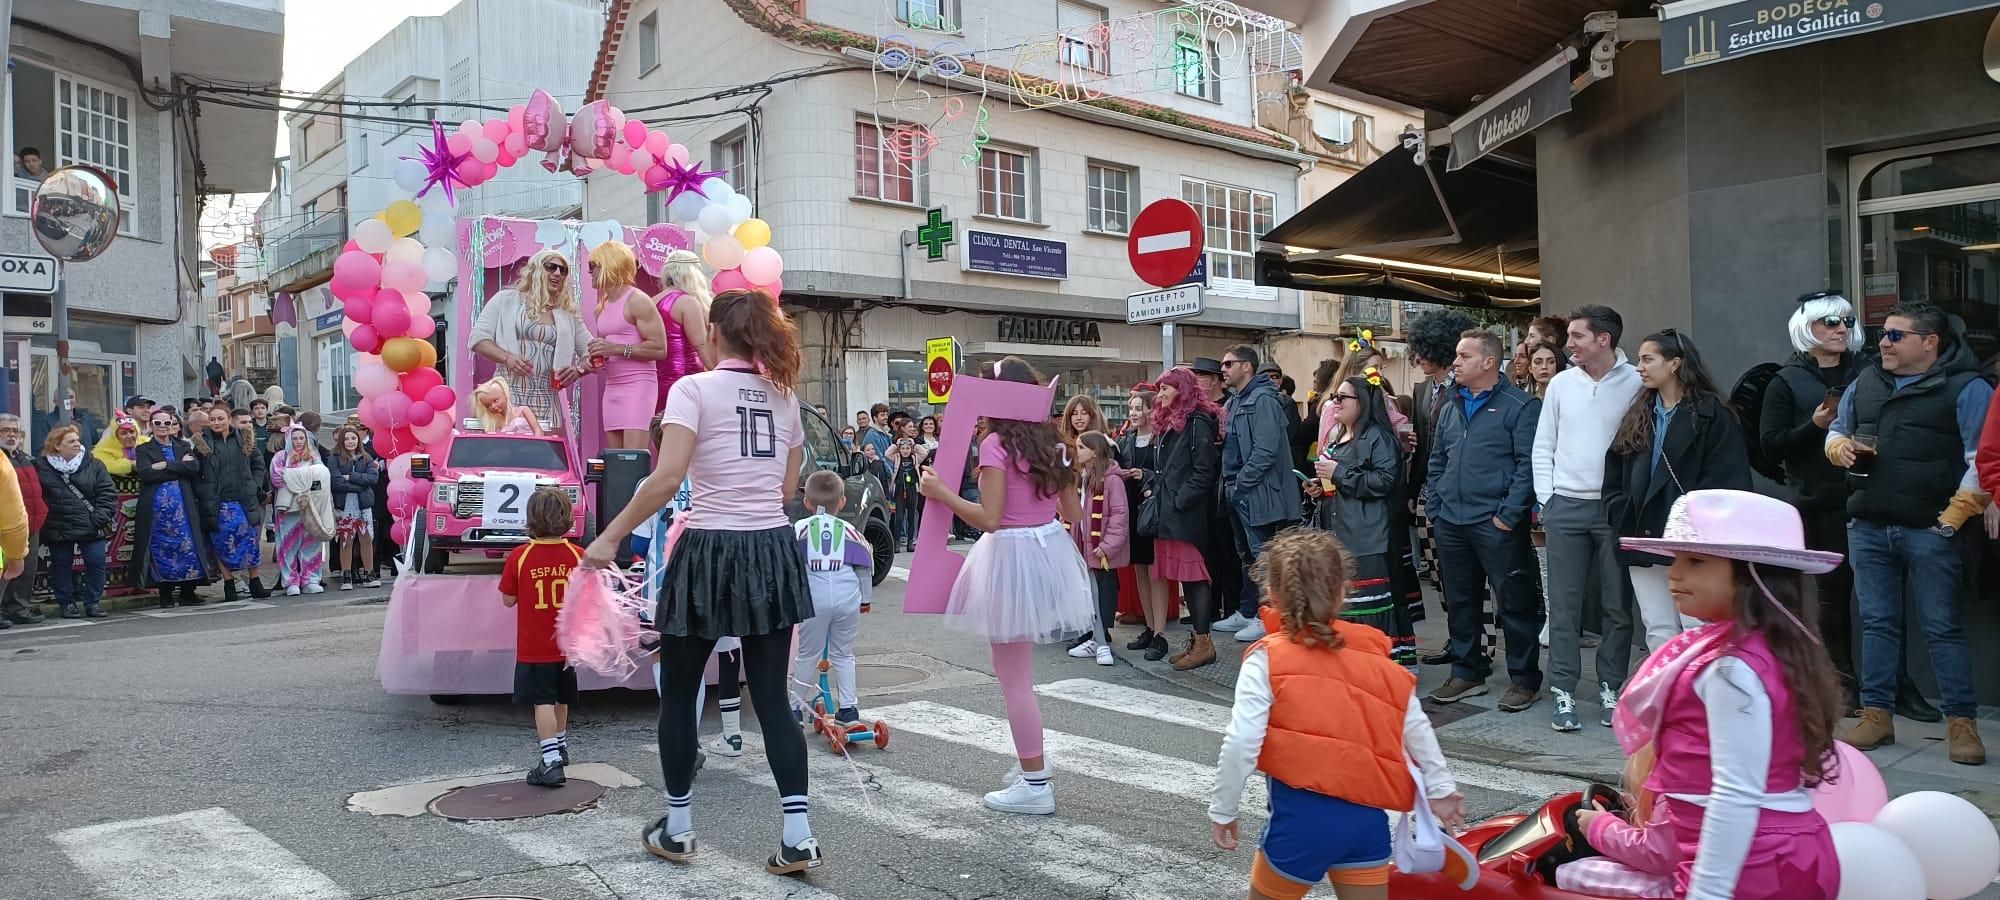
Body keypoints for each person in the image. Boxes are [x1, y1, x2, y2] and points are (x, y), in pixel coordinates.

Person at [581, 288, 824, 873]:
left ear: (714, 334)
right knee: (768, 697)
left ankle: (681, 824)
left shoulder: (692, 389)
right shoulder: (785, 398)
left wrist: (609, 536)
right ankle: (799, 834)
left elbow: (666, 479)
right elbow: (789, 491)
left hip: (709, 547)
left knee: (684, 689)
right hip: (770, 547)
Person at [1577, 489, 1845, 899]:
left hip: (1751, 869)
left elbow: (1735, 795)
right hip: (1789, 855)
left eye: (1695, 561)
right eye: (1677, 559)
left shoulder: (1730, 669)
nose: (1673, 573)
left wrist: (1708, 894)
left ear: (1753, 573)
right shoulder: (1775, 650)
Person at [1208, 528, 1465, 900]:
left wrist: (1223, 808)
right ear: (1344, 592)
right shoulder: (1379, 659)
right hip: (1366, 822)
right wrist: (1440, 790)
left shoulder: (1267, 657)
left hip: (1300, 824)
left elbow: (1241, 742)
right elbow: (1417, 729)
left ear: (1273, 594)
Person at [917, 355, 1093, 815]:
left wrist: (942, 494)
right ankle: (1032, 766)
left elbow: (990, 519)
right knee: (1016, 674)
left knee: (1014, 679)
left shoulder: (995, 443)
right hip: (1047, 553)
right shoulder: (1056, 443)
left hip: (1010, 556)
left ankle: (1035, 783)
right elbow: (1072, 515)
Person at [1831, 302, 1990, 764]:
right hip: (1868, 524)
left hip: (1931, 530)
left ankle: (1962, 723)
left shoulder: (1968, 387)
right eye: (1883, 333)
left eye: (1896, 335)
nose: (1883, 341)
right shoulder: (1866, 381)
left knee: (1942, 628)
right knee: (1878, 624)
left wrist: (1952, 519)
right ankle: (1877, 717)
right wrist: (1838, 447)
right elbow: (1838, 430)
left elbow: (1981, 460)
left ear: (1929, 342)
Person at [1767, 293, 1924, 718]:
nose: (1841, 328)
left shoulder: (1871, 373)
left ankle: (1895, 687)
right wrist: (1813, 427)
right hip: (1819, 503)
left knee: (1886, 602)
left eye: (1847, 321)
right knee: (1832, 601)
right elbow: (1771, 445)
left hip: (1873, 497)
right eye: (1830, 322)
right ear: (1807, 327)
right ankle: (1843, 685)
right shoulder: (1785, 380)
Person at [1605, 330, 1752, 656]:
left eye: (1647, 359)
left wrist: (1703, 527)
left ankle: (1701, 700)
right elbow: (1614, 471)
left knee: (1698, 626)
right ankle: (1670, 698)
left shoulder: (1714, 415)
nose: (1639, 367)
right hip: (1642, 537)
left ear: (1674, 364)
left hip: (1694, 541)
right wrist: (1618, 511)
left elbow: (1730, 481)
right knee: (1657, 627)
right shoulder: (1638, 414)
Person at [1532, 305, 1642, 731]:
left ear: (1603, 339)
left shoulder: (1636, 382)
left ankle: (1611, 688)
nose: (1568, 344)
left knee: (1618, 606)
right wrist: (1548, 499)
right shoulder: (1561, 384)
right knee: (1563, 606)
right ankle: (1563, 691)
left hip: (1614, 509)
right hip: (1566, 506)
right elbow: (1544, 444)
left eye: (1577, 336)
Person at [1425, 329, 1544, 711]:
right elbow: (1438, 459)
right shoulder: (1450, 405)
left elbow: (1528, 466)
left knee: (1514, 601)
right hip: (1452, 521)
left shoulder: (1520, 406)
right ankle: (1467, 672)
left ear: (1489, 362)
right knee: (1461, 601)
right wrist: (1436, 505)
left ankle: (1524, 680)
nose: (1455, 362)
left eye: (1464, 356)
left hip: (1495, 523)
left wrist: (1508, 517)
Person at [1305, 374, 1414, 666]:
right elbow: (1339, 480)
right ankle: (1352, 663)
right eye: (1334, 397)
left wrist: (1338, 473)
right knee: (1345, 605)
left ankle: (1380, 665)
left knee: (1370, 606)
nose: (1335, 403)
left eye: (1342, 397)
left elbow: (1385, 481)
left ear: (1362, 402)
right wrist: (1319, 486)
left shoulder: (1379, 437)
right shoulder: (1336, 435)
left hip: (1368, 535)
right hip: (1337, 531)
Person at [1211, 346, 1298, 645]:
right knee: (1248, 555)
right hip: (1240, 489)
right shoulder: (1238, 398)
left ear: (1246, 367)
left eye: (1228, 363)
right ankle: (1250, 611)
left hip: (1256, 490)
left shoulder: (1263, 399)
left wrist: (1241, 483)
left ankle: (1268, 616)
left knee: (1264, 556)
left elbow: (1265, 450)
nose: (1223, 368)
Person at [501, 488, 585, 787]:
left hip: (534, 646)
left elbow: (508, 600)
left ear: (531, 519)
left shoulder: (521, 556)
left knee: (542, 701)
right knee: (562, 698)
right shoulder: (578, 555)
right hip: (567, 645)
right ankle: (560, 747)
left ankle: (549, 761)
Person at [791, 471, 877, 725]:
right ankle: (849, 709)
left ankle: (796, 708)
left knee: (807, 654)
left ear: (807, 502)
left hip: (812, 598)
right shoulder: (851, 531)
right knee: (843, 654)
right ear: (842, 501)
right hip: (846, 596)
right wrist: (865, 600)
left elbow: (788, 567)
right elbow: (864, 569)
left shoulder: (799, 529)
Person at [1153, 367, 1225, 670]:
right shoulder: (1178, 422)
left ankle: (1204, 642)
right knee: (1187, 578)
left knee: (1195, 578)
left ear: (1181, 389)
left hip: (1188, 513)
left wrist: (1179, 501)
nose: (1160, 396)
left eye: (1165, 389)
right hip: (1176, 512)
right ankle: (1198, 640)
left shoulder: (1196, 421)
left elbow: (1203, 471)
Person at [471, 249, 590, 429]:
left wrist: (578, 370)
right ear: (535, 270)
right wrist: (507, 358)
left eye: (563, 270)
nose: (558, 273)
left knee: (544, 456)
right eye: (551, 267)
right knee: (504, 455)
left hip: (547, 401)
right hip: (507, 395)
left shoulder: (568, 313)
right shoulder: (506, 300)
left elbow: (593, 352)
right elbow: (478, 339)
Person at [585, 243, 668, 449]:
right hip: (613, 387)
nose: (590, 272)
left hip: (638, 386)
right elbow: (609, 348)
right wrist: (594, 360)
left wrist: (615, 349)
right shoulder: (601, 307)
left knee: (633, 458)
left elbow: (659, 349)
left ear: (609, 265)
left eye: (593, 265)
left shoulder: (638, 300)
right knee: (614, 461)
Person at [133, 409, 216, 609]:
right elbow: (146, 474)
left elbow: (193, 468)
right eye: (158, 423)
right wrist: (178, 466)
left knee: (187, 547)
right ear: (151, 426)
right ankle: (166, 594)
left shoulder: (182, 445)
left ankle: (188, 591)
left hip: (184, 508)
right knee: (161, 549)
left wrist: (164, 466)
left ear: (174, 425)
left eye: (167, 423)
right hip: (157, 511)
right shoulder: (144, 449)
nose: (163, 427)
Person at [37, 426, 114, 618]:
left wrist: (99, 517)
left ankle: (93, 603)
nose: (77, 444)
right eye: (71, 441)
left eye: (77, 440)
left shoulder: (94, 464)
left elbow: (107, 493)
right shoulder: (41, 466)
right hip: (59, 525)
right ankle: (66, 604)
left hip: (91, 524)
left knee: (96, 563)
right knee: (61, 566)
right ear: (56, 446)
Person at [1066, 431, 1129, 667]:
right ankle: (1096, 639)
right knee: (1090, 595)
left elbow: (1119, 516)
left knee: (1102, 596)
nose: (1077, 450)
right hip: (1086, 546)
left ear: (1094, 451)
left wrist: (1107, 546)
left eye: (1081, 447)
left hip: (1101, 550)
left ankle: (1102, 644)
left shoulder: (1111, 480)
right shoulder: (1084, 477)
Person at [193, 407, 269, 603]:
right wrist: (204, 490)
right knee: (220, 542)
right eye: (213, 419)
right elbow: (195, 472)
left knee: (251, 540)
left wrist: (254, 484)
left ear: (229, 419)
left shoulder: (245, 439)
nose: (217, 422)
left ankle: (255, 581)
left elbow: (258, 464)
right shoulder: (202, 443)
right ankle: (229, 584)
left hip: (243, 499)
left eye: (221, 418)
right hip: (217, 502)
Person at [1117, 388, 1170, 655]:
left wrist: (1145, 474)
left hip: (1155, 510)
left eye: (1138, 408)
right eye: (1131, 409)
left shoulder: (1162, 438)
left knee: (1155, 571)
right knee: (1139, 569)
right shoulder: (1126, 439)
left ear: (1151, 409)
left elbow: (1169, 473)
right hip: (1133, 510)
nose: (1133, 413)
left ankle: (1160, 632)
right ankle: (1149, 627)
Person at [271, 425, 332, 596]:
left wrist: (293, 476)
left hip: (310, 506)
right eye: (295, 438)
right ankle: (290, 582)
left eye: (301, 438)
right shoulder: (280, 457)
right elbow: (277, 478)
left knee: (312, 543)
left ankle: (311, 579)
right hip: (289, 508)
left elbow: (321, 477)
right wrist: (305, 476)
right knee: (288, 545)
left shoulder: (314, 456)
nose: (298, 442)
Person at [653, 249, 716, 408]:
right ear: (692, 274)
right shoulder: (687, 302)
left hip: (656, 380)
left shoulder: (653, 301)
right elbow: (700, 345)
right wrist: (718, 373)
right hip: (685, 379)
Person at [0, 414, 46, 626]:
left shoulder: (23, 457)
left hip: (29, 522)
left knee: (26, 569)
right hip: (5, 524)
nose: (11, 435)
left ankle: (18, 609)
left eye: (15, 431)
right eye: (5, 430)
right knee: (5, 570)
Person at [328, 425, 382, 591]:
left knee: (366, 538)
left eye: (353, 438)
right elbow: (336, 482)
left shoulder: (366, 457)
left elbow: (373, 478)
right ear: (341, 440)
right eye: (347, 438)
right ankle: (346, 575)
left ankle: (369, 573)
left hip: (363, 504)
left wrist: (351, 477)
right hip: (345, 505)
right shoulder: (334, 458)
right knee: (346, 539)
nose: (350, 441)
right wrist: (360, 484)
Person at [886, 417, 927, 553]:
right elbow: (887, 454)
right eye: (902, 448)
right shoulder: (896, 458)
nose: (905, 450)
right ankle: (897, 541)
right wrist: (896, 444)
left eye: (907, 448)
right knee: (899, 516)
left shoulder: (915, 458)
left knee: (911, 516)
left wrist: (914, 445)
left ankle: (911, 541)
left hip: (912, 488)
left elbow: (924, 453)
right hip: (899, 488)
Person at [473, 377, 542, 435]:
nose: (493, 406)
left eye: (496, 400)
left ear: (505, 395)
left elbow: (537, 429)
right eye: (488, 405)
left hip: (530, 447)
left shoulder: (523, 411)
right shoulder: (494, 422)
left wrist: (538, 444)